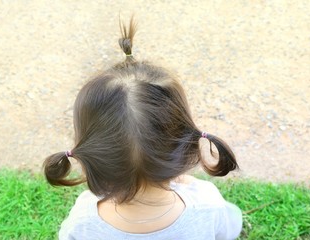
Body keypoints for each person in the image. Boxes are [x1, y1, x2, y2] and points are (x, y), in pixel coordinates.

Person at [43, 17, 242, 240]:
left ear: (92, 155)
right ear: (183, 147)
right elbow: (228, 229)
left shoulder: (84, 220)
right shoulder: (206, 204)